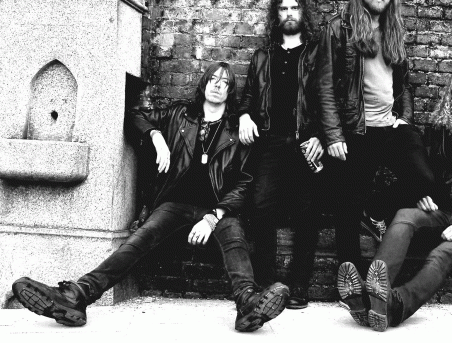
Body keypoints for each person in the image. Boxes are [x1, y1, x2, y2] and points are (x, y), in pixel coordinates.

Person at [12, 62, 289, 332]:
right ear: (204, 83)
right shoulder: (180, 114)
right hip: (174, 203)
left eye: (225, 82)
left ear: (230, 91)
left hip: (217, 209)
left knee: (235, 238)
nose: (218, 86)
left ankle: (248, 304)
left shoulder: (236, 129)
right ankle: (78, 295)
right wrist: (156, 135)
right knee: (139, 239)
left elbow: (244, 183)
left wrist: (213, 217)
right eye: (213, 79)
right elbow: (134, 115)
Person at [337, 69, 452, 331]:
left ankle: (393, 305)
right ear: (450, 97)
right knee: (405, 216)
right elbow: (425, 172)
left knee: (441, 254)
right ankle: (374, 292)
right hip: (443, 211)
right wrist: (423, 195)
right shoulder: (439, 132)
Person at [316, 0, 434, 272]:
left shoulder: (394, 29)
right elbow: (324, 86)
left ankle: (377, 210)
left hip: (389, 127)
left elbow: (403, 83)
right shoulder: (338, 28)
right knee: (348, 206)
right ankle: (349, 276)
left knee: (424, 178)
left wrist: (404, 118)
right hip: (356, 130)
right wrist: (333, 135)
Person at [238, 0, 323, 309]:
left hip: (306, 141)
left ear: (303, 13)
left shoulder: (316, 54)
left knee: (307, 212)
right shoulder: (263, 56)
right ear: (276, 15)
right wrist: (244, 115)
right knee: (260, 207)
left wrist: (322, 137)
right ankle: (267, 285)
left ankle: (299, 285)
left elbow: (329, 99)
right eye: (283, 8)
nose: (289, 13)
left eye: (294, 8)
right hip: (270, 142)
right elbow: (248, 96)